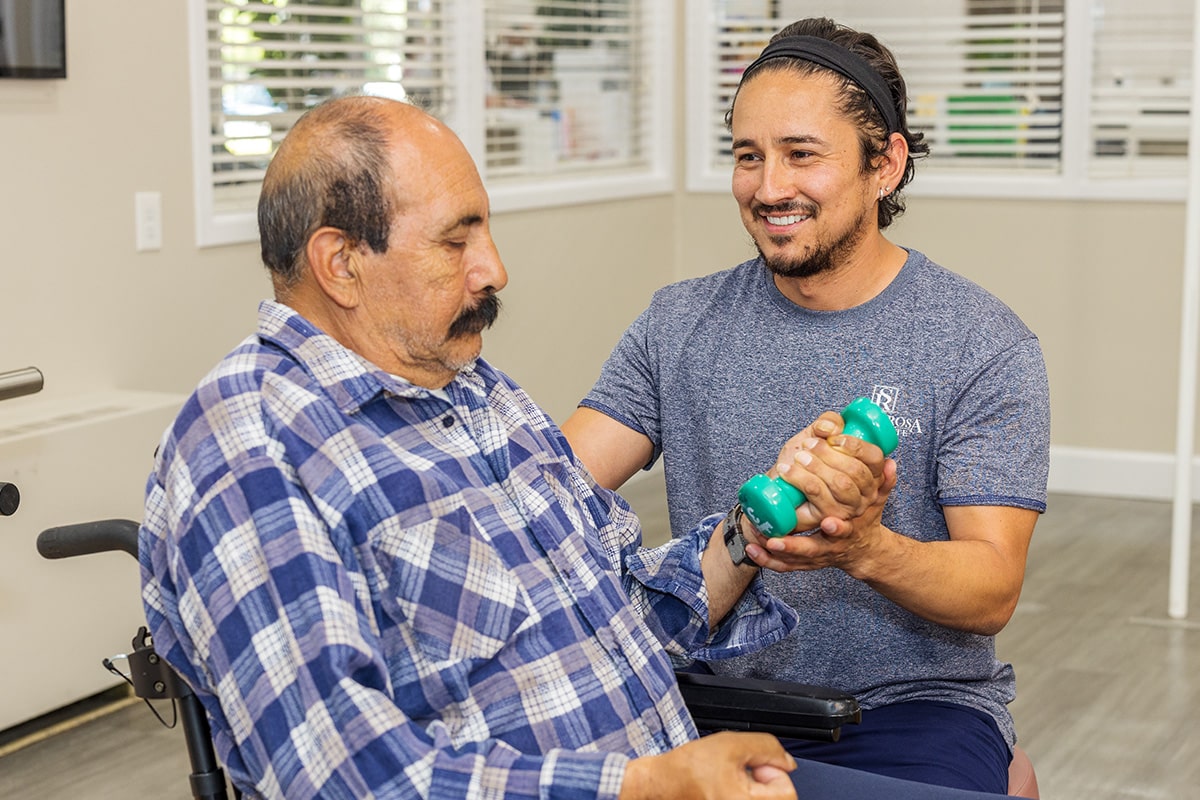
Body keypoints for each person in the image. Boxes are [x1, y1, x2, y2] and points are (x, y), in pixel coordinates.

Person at [138, 94, 1011, 800]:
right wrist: (641, 784)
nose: (495, 269)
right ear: (341, 263)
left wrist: (755, 526)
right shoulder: (250, 451)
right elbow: (338, 776)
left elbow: (619, 607)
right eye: (458, 239)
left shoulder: (474, 391)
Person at [563, 17, 1051, 795]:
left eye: (801, 155)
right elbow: (551, 492)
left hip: (903, 711)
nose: (768, 187)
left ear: (884, 165)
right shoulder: (678, 323)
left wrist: (864, 547)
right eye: (748, 156)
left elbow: (991, 588)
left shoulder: (980, 342)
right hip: (700, 697)